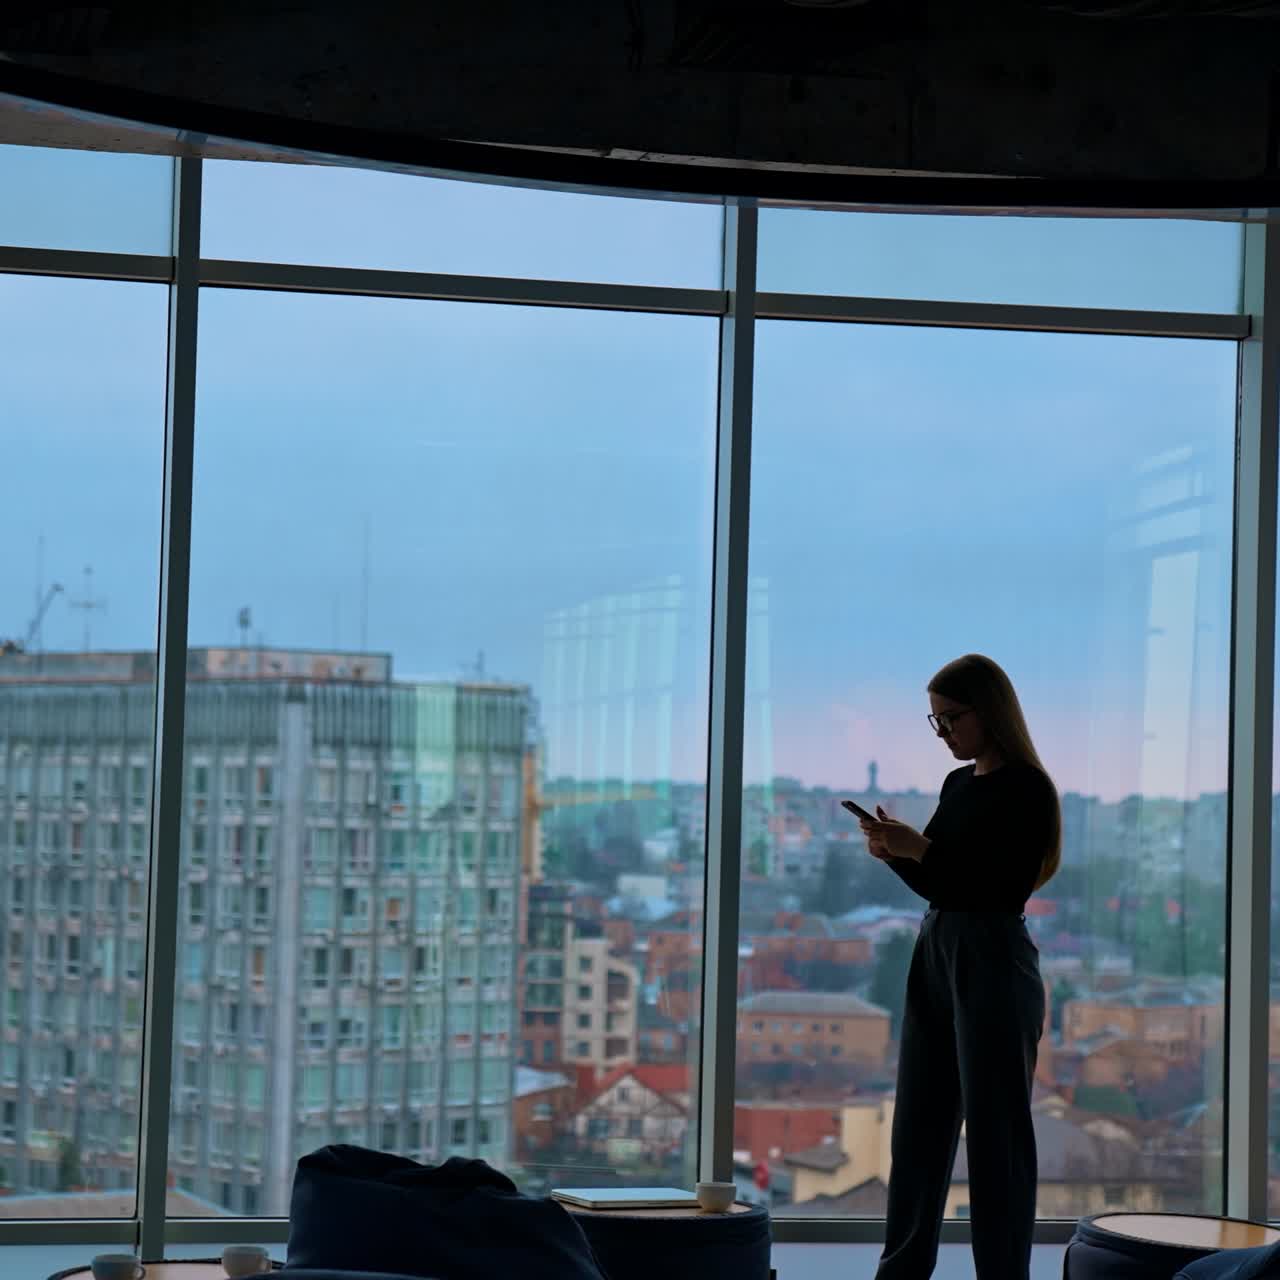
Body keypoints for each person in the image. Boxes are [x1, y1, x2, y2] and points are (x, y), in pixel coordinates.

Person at [857, 653, 1060, 1280]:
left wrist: (919, 847)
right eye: (935, 720)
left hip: (994, 960)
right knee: (917, 1128)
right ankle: (901, 1272)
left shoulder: (1027, 788)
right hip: (939, 950)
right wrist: (897, 853)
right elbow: (941, 886)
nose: (942, 731)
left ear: (988, 711)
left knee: (997, 1139)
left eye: (951, 717)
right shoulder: (959, 784)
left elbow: (998, 891)